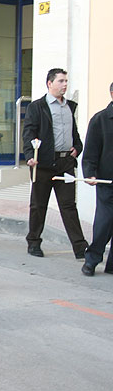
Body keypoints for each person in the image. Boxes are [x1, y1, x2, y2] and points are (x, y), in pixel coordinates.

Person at [22, 68, 88, 259]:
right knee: (38, 205)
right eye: (61, 81)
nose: (65, 84)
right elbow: (29, 133)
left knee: (68, 206)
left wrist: (77, 148)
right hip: (42, 164)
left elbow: (74, 134)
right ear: (49, 83)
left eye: (66, 81)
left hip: (65, 163)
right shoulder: (37, 107)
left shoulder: (69, 107)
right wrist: (29, 156)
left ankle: (80, 247)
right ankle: (34, 242)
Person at [81, 82, 113, 276]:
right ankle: (92, 260)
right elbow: (90, 151)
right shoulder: (100, 120)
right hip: (107, 182)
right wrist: (90, 172)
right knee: (104, 222)